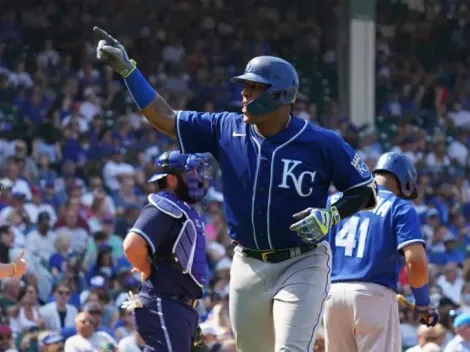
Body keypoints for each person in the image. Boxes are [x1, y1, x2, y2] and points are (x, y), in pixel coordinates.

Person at [94, 27, 378, 351]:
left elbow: (366, 191)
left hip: (303, 262)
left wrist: (331, 213)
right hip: (247, 263)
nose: (244, 96)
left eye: (253, 89)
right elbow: (164, 118)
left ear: (280, 96)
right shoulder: (225, 128)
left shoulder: (322, 143)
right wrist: (129, 71)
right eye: (244, 88)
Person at [323, 152, 440, 352]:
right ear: (405, 181)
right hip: (373, 296)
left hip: (332, 296)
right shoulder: (399, 206)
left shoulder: (334, 201)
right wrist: (422, 302)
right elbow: (416, 261)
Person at [120, 150, 211, 351]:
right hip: (164, 304)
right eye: (192, 174)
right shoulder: (161, 208)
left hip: (178, 308)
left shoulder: (181, 209)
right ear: (171, 179)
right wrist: (147, 269)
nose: (198, 179)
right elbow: (132, 246)